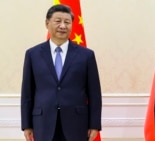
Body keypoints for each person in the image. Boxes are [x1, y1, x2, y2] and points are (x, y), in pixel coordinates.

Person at [20, 4, 102, 141]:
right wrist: (26, 125)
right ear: (47, 23)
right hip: (43, 123)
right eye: (58, 21)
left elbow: (94, 94)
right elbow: (27, 93)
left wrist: (94, 125)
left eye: (67, 22)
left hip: (76, 123)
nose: (63, 26)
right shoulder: (33, 54)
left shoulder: (86, 55)